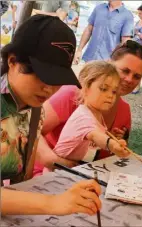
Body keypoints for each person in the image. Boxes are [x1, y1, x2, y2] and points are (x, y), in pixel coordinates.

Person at [1, 15, 101, 215]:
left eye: (57, 79)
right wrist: (51, 203)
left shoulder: (35, 109)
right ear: (12, 61)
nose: (49, 89)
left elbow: (23, 182)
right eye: (42, 75)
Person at [34, 40, 142, 176]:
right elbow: (31, 129)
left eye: (137, 76)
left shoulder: (125, 110)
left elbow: (108, 155)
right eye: (125, 71)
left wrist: (119, 143)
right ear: (109, 64)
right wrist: (52, 160)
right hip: (48, 173)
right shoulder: (73, 94)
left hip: (85, 176)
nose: (130, 79)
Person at [45, 61, 128, 171]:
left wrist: (113, 137)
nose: (110, 95)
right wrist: (111, 144)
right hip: (55, 174)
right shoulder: (83, 116)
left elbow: (93, 139)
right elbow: (94, 135)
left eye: (114, 91)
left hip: (73, 171)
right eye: (103, 88)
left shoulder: (96, 115)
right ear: (85, 87)